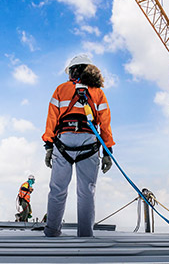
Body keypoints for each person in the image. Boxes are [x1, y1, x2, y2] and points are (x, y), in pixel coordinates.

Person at [42, 54, 115, 237]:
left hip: (63, 142)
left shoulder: (61, 89)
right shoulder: (98, 92)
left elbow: (52, 119)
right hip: (89, 143)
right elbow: (105, 124)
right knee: (87, 191)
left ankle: (52, 231)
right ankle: (85, 234)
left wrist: (49, 146)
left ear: (73, 70)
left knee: (57, 189)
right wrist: (107, 151)